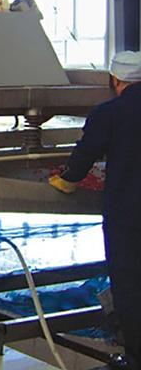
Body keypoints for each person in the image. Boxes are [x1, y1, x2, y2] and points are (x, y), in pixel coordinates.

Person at [49, 51, 141, 369]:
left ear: (115, 80)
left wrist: (65, 180)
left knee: (130, 285)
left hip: (129, 213)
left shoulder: (110, 113)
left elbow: (85, 154)